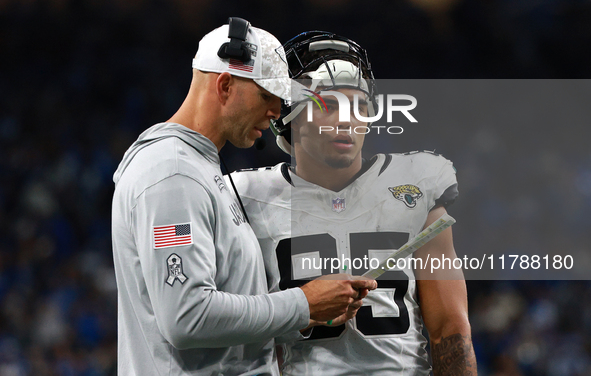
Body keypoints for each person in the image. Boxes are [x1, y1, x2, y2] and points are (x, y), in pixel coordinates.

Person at [111, 20, 377, 376]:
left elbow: (224, 319)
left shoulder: (197, 166)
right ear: (225, 85)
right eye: (267, 96)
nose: (276, 112)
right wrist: (303, 302)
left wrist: (311, 312)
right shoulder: (172, 173)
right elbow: (187, 318)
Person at [230, 31, 477, 375]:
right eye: (328, 106)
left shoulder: (416, 193)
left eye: (358, 106)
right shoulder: (242, 198)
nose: (346, 120)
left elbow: (450, 329)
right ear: (289, 114)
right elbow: (223, 324)